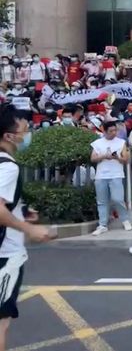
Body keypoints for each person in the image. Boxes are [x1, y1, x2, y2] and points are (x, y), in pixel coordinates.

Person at [0, 104, 52, 350]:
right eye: (24, 129)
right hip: (5, 255)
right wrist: (28, 229)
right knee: (1, 323)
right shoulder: (8, 167)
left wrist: (20, 211)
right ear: (9, 136)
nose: (28, 133)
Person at [90, 121, 132, 236]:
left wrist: (117, 157)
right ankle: (102, 224)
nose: (114, 133)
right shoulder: (97, 143)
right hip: (101, 175)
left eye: (115, 130)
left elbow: (126, 159)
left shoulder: (121, 142)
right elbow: (93, 158)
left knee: (118, 199)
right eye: (111, 131)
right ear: (104, 131)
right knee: (102, 201)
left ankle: (125, 219)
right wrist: (104, 156)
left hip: (116, 174)